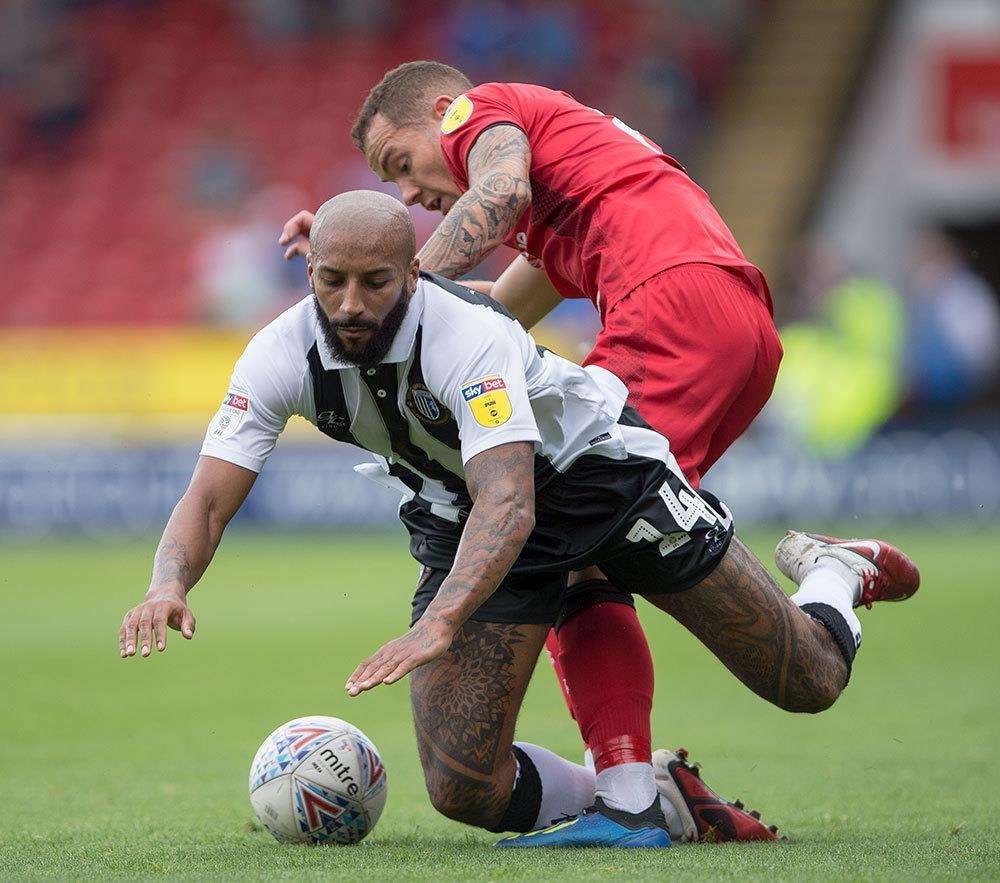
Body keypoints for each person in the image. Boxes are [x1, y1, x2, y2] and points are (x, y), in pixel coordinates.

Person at [122, 192, 919, 848]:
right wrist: (168, 581)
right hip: (457, 507)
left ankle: (833, 573)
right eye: (331, 280)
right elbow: (208, 496)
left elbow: (511, 499)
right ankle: (651, 798)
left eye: (374, 281)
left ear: (414, 272)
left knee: (808, 679)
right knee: (462, 784)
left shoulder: (468, 335)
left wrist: (439, 622)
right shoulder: (277, 354)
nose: (351, 304)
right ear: (308, 271)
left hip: (602, 480)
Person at [278, 60, 785, 841]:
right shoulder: (561, 214)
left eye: (401, 167)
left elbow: (495, 195)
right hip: (724, 314)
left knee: (565, 521)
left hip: (672, 308)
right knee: (590, 547)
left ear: (444, 114)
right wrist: (345, 278)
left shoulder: (480, 114)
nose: (406, 194)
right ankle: (642, 787)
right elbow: (484, 312)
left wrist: (393, 279)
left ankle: (633, 802)